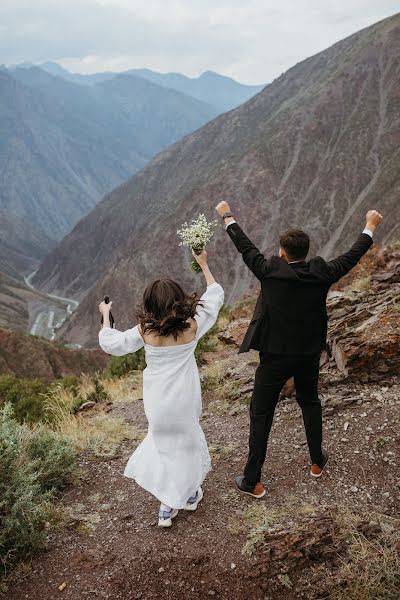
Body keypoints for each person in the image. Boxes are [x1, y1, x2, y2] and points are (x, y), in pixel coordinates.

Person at [215, 201, 383, 499]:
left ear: (282, 252)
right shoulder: (323, 274)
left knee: (261, 414)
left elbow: (245, 247)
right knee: (310, 402)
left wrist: (228, 216)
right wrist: (369, 226)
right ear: (306, 252)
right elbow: (352, 257)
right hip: (307, 355)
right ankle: (317, 461)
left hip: (274, 357)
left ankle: (252, 480)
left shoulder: (268, 272)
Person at [98, 249, 224, 527]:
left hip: (157, 402)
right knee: (188, 445)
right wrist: (203, 264)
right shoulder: (193, 325)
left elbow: (110, 343)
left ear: (150, 304)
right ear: (179, 300)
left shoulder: (145, 332)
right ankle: (186, 497)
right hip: (185, 398)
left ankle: (168, 506)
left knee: (164, 447)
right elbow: (215, 296)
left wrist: (106, 315)